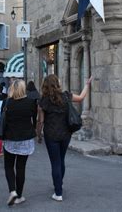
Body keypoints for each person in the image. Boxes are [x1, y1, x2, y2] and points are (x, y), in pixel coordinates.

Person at [37, 74, 92, 202]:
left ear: (45, 85)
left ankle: (58, 192)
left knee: (55, 162)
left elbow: (41, 121)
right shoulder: (66, 96)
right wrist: (87, 84)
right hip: (65, 134)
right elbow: (82, 97)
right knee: (61, 160)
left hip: (51, 135)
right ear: (57, 84)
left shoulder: (43, 100)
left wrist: (38, 135)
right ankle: (59, 184)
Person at [2, 79, 37, 206]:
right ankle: (19, 196)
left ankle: (12, 191)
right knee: (21, 168)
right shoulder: (31, 102)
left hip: (10, 137)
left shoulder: (7, 102)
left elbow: (3, 119)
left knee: (8, 166)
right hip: (26, 138)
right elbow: (34, 118)